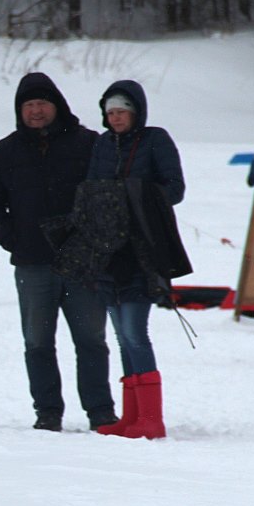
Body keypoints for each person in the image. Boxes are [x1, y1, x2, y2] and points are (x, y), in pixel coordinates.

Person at [0, 72, 116, 432]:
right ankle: (48, 412)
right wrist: (15, 239)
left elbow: (109, 195)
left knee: (91, 340)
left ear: (57, 106)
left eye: (42, 103)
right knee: (37, 342)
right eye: (29, 105)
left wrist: (96, 240)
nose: (36, 111)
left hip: (84, 263)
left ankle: (100, 410)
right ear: (19, 110)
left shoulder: (90, 145)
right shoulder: (2, 153)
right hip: (33, 263)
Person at [81, 80, 189, 440]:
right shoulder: (102, 144)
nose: (116, 118)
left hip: (143, 249)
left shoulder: (156, 139)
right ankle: (132, 416)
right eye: (110, 112)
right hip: (109, 251)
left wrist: (133, 197)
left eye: (122, 112)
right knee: (121, 336)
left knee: (134, 333)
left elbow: (174, 189)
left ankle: (151, 419)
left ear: (136, 112)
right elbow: (91, 187)